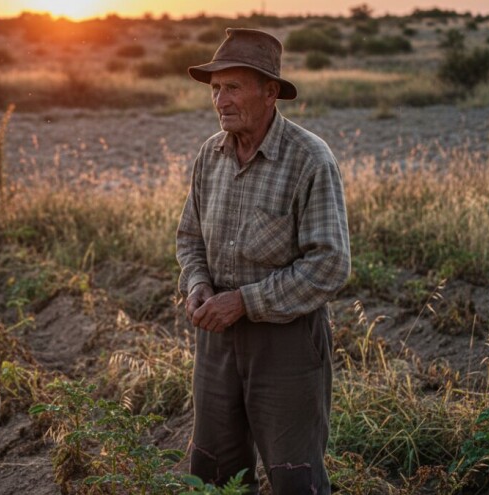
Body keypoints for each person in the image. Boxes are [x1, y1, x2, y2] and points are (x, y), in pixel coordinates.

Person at [176, 28, 351, 494]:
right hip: (216, 341)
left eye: (232, 87)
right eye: (215, 89)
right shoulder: (209, 156)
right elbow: (189, 237)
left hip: (287, 344)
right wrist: (197, 285)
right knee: (214, 471)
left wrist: (245, 302)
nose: (220, 100)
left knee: (295, 477)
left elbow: (329, 265)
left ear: (270, 92)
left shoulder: (310, 159)